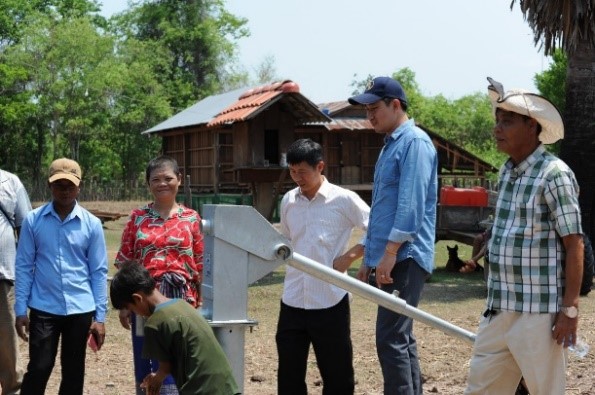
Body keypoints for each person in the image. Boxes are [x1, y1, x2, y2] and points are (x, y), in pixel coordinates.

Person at [464, 78, 584, 394]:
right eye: (497, 121)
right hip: (499, 306)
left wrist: (569, 310)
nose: (497, 129)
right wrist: (491, 237)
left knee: (546, 390)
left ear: (532, 127)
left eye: (507, 121)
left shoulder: (554, 174)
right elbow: (515, 225)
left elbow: (574, 243)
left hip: (538, 313)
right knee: (481, 389)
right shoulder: (507, 172)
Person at [348, 76, 438, 395]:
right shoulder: (392, 145)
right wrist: (370, 259)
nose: (369, 116)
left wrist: (389, 253)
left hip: (405, 255)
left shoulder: (414, 142)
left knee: (390, 338)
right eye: (366, 110)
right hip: (392, 255)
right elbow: (383, 208)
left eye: (374, 108)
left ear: (395, 105)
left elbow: (410, 206)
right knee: (401, 336)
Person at [276, 138, 370, 394]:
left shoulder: (344, 199)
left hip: (330, 300)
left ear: (320, 167)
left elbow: (374, 229)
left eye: (302, 172)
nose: (297, 177)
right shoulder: (288, 201)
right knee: (289, 375)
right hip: (293, 298)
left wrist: (350, 256)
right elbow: (285, 239)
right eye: (293, 171)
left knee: (337, 374)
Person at [14, 158, 108, 394]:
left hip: (80, 309)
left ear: (80, 186)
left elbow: (98, 272)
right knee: (39, 367)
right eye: (59, 185)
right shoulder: (33, 221)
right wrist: (20, 309)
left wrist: (100, 316)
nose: (65, 191)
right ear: (49, 186)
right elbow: (24, 266)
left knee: (74, 371)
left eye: (70, 185)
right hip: (44, 307)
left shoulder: (92, 225)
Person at [115, 155, 204, 395]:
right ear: (148, 183)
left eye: (168, 178)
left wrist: (199, 303)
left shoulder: (191, 218)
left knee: (177, 360)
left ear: (179, 181)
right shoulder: (138, 218)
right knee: (146, 356)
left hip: (181, 302)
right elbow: (125, 261)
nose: (162, 183)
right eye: (156, 179)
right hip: (143, 300)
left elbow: (200, 263)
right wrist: (126, 305)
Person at [110, 261, 239, 395]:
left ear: (137, 298)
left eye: (132, 309)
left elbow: (165, 368)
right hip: (226, 385)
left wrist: (155, 380)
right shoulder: (182, 305)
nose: (135, 314)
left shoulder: (155, 323)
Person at [0, 168, 32, 395]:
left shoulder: (10, 182)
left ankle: (12, 388)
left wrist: (27, 274)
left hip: (3, 274)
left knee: (7, 338)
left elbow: (26, 229)